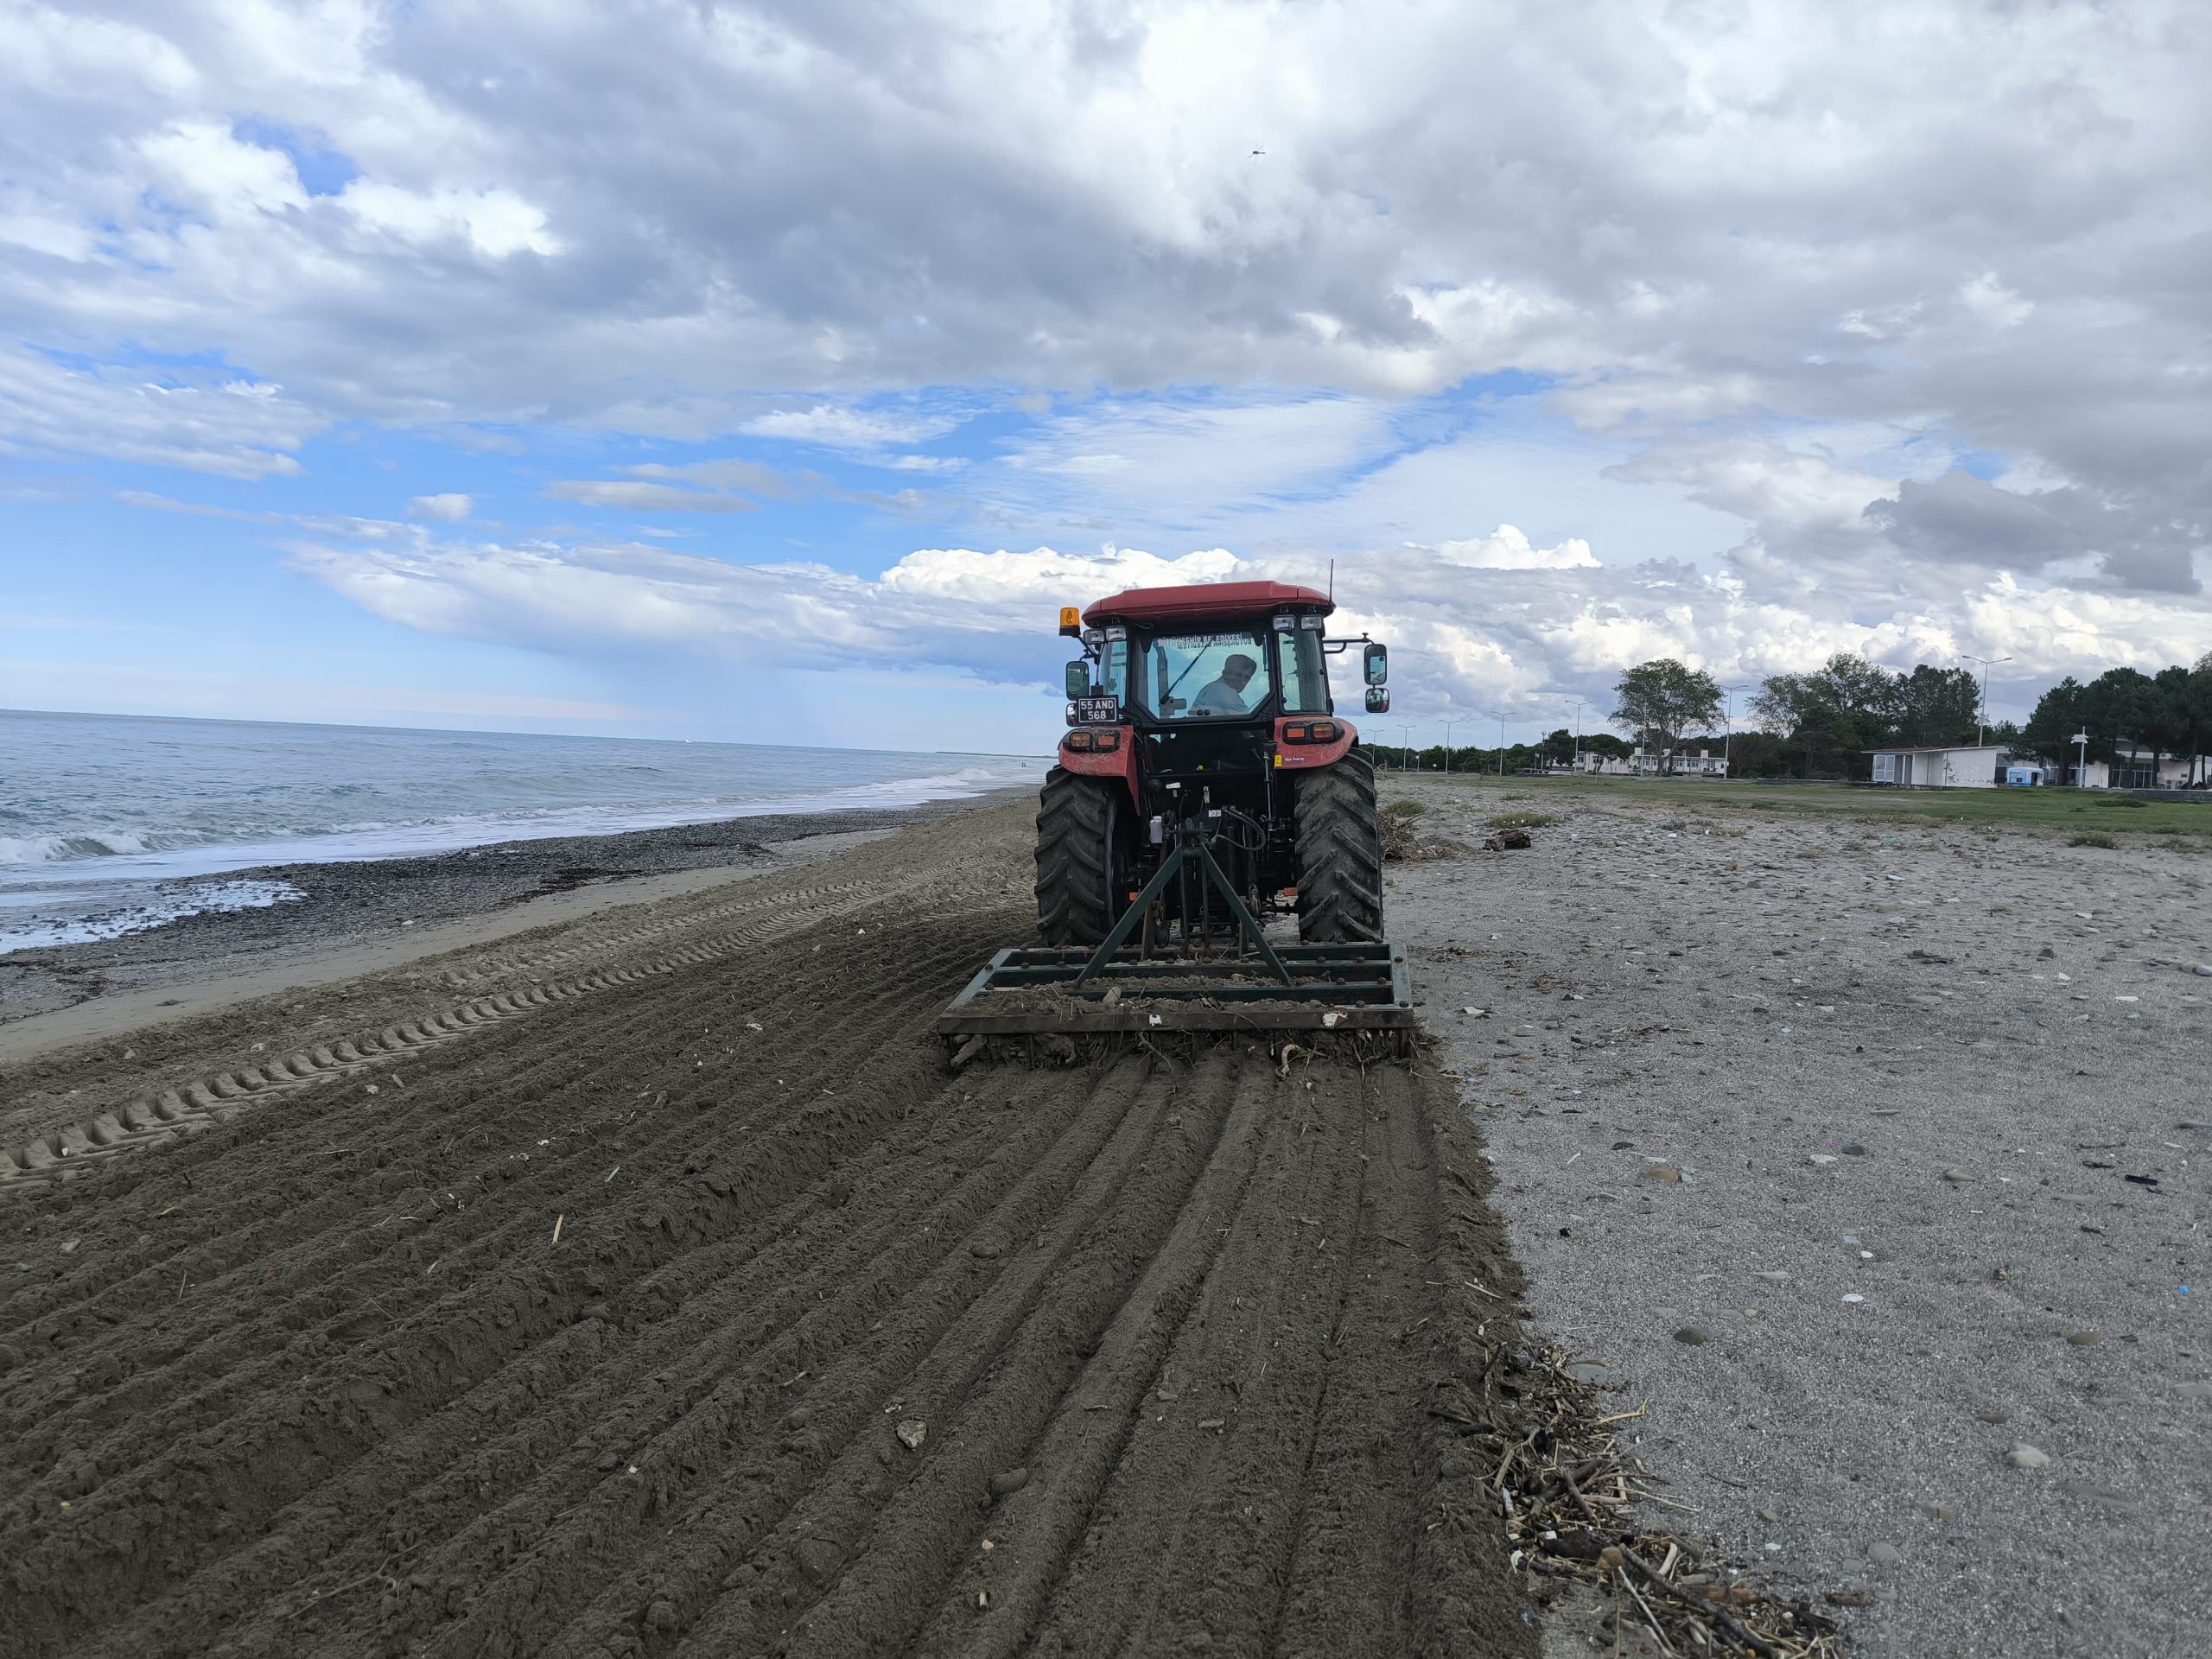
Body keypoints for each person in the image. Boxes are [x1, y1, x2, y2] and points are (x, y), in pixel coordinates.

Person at [1191, 652, 1257, 715]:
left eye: (1247, 678)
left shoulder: (1209, 688)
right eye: (1238, 675)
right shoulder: (1228, 694)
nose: (1242, 681)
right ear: (1225, 673)